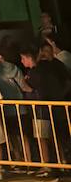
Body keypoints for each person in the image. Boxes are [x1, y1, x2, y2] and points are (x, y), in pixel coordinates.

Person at [19, 41, 71, 170]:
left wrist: (25, 86)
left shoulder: (38, 71)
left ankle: (47, 165)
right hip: (49, 107)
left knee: (43, 137)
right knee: (53, 136)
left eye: (23, 58)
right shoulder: (46, 68)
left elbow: (37, 90)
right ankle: (61, 161)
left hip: (41, 108)